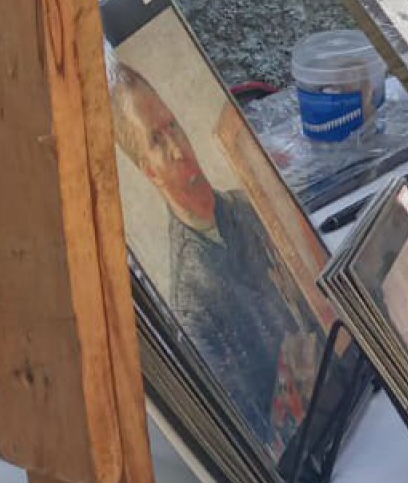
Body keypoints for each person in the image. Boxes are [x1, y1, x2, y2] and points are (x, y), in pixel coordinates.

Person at [107, 62, 322, 459]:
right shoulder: (190, 298)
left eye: (173, 126)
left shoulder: (246, 208)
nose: (177, 148)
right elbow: (256, 436)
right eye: (157, 140)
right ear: (148, 170)